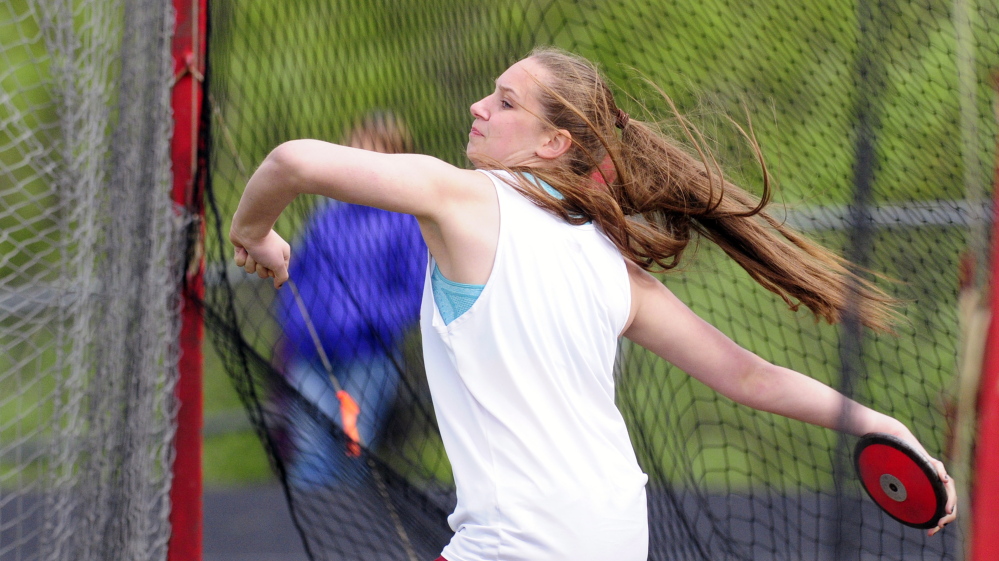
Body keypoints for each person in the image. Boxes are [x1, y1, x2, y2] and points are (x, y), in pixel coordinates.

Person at [230, 47, 957, 561]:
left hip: (519, 543)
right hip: (615, 535)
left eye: (505, 101)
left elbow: (291, 161)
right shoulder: (612, 263)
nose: (481, 106)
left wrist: (251, 233)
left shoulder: (458, 195)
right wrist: (882, 420)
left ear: (553, 141)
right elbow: (750, 376)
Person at [275, 112, 426, 488]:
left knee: (354, 446)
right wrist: (295, 320)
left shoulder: (405, 219)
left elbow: (415, 292)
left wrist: (366, 321)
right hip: (309, 351)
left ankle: (352, 532)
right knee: (309, 447)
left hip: (368, 356)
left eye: (369, 147)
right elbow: (299, 271)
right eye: (354, 144)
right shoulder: (326, 214)